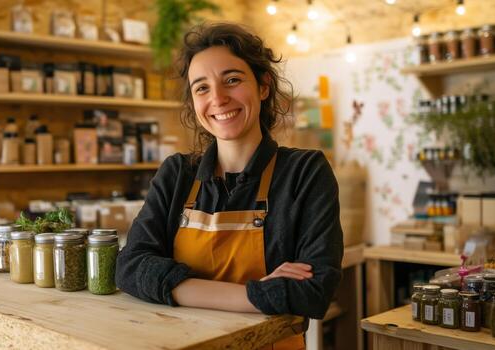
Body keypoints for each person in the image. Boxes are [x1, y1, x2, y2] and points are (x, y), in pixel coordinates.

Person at [115, 22, 343, 349]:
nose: (218, 99)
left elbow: (315, 292)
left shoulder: (304, 172)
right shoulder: (177, 173)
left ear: (263, 86)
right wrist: (256, 294)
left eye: (232, 80)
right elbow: (130, 267)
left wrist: (176, 285)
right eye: (202, 88)